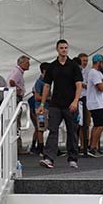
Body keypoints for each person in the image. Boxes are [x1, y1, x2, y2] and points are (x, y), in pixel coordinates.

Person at [38, 39, 83, 169]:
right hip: (55, 104)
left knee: (72, 131)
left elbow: (79, 85)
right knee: (53, 130)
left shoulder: (74, 66)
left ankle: (73, 158)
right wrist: (42, 105)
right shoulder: (52, 66)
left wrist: (75, 100)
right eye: (61, 48)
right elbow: (47, 86)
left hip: (70, 104)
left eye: (65, 48)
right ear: (57, 50)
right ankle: (48, 158)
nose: (64, 50)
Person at [87, 54, 103, 157]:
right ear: (99, 62)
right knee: (100, 125)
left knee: (97, 125)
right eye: (102, 62)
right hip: (96, 103)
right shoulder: (94, 73)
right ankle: (93, 147)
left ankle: (93, 146)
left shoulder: (98, 73)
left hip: (98, 103)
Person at [28, 62, 49, 156]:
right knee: (40, 128)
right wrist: (49, 98)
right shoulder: (39, 82)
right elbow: (36, 97)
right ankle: (40, 147)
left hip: (47, 107)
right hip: (40, 108)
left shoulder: (48, 81)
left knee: (42, 128)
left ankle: (38, 146)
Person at [76, 53, 91, 155]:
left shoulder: (89, 71)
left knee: (86, 123)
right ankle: (76, 145)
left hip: (86, 99)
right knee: (78, 124)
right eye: (83, 60)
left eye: (86, 60)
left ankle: (84, 145)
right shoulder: (76, 71)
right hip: (78, 99)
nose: (85, 62)